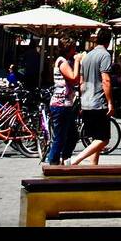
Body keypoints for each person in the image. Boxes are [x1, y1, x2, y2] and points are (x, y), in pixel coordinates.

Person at [69, 27, 114, 167]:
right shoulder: (105, 55)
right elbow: (106, 80)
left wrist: (82, 102)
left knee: (96, 138)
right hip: (98, 102)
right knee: (104, 139)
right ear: (109, 41)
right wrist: (110, 102)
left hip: (86, 101)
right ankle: (75, 160)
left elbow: (81, 82)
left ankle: (93, 168)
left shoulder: (87, 56)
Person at [46, 37, 79, 165]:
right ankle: (52, 163)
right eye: (74, 48)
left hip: (66, 104)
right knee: (60, 137)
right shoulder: (62, 62)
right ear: (68, 49)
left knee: (72, 136)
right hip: (60, 105)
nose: (75, 50)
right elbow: (73, 77)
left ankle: (64, 159)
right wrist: (77, 61)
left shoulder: (64, 61)